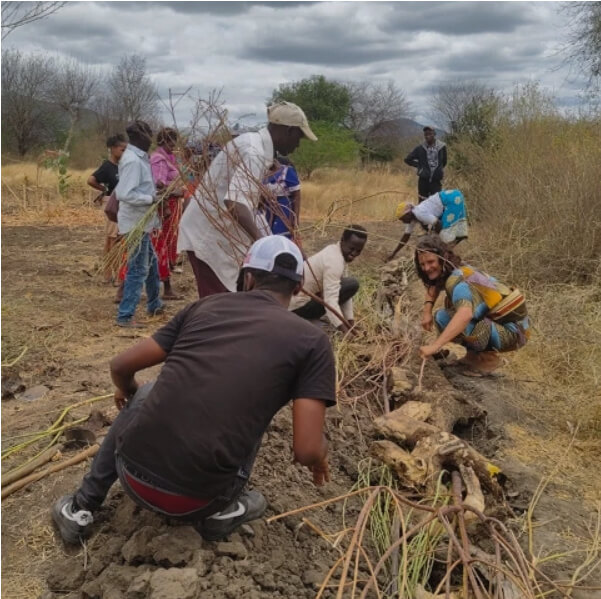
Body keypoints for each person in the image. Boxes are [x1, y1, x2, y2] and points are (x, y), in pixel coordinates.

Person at [51, 236, 336, 545]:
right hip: (197, 503)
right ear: (297, 289)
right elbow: (306, 449)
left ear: (249, 277)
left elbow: (120, 365)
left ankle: (81, 507)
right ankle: (220, 514)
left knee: (149, 392)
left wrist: (130, 393)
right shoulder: (313, 342)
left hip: (131, 473)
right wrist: (320, 457)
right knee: (249, 407)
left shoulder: (205, 306)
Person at [178, 101, 317, 298]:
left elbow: (243, 198)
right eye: (299, 137)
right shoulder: (254, 152)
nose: (298, 144)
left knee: (231, 300)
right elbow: (235, 204)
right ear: (288, 131)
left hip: (219, 234)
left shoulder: (254, 144)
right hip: (209, 236)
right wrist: (266, 246)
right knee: (219, 306)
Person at [416, 236, 530, 375]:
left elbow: (465, 315)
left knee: (451, 318)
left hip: (514, 333)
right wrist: (427, 311)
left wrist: (435, 346)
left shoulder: (459, 282)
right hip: (505, 326)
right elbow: (432, 286)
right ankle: (473, 357)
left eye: (431, 262)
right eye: (422, 264)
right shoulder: (454, 269)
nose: (427, 268)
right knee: (441, 316)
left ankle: (488, 360)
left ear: (442, 258)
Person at [115, 121, 164, 328]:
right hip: (135, 223)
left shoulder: (139, 158)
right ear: (139, 137)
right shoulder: (133, 161)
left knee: (151, 263)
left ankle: (155, 305)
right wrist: (151, 199)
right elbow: (124, 194)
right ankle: (125, 316)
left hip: (141, 222)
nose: (151, 139)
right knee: (138, 269)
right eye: (148, 135)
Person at [290, 225, 367, 335]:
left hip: (301, 303)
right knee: (353, 284)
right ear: (342, 240)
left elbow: (344, 293)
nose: (354, 254)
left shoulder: (336, 252)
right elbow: (330, 300)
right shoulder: (334, 261)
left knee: (349, 284)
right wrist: (346, 332)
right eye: (351, 248)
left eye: (358, 251)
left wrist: (351, 324)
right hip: (298, 308)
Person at [87, 134, 128, 283]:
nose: (124, 152)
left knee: (114, 239)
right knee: (113, 239)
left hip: (122, 204)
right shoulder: (107, 166)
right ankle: (113, 274)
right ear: (113, 149)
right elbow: (91, 180)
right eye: (122, 149)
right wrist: (103, 189)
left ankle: (109, 273)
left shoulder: (123, 165)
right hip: (112, 204)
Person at [387, 189, 468, 261]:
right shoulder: (413, 217)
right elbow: (405, 237)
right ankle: (448, 252)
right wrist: (394, 253)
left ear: (408, 214)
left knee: (444, 236)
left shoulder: (419, 213)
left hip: (451, 200)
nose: (403, 222)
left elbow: (438, 224)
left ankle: (447, 255)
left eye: (403, 219)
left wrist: (436, 241)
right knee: (450, 237)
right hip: (453, 195)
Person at [150, 127, 184, 300]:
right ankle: (163, 286)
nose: (173, 146)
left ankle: (165, 278)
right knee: (159, 244)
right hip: (163, 207)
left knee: (164, 243)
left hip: (169, 205)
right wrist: (172, 196)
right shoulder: (159, 159)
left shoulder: (168, 158)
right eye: (171, 142)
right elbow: (159, 186)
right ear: (163, 141)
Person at [262, 155, 302, 238]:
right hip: (269, 209)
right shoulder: (264, 173)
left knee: (281, 234)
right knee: (268, 233)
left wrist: (296, 219)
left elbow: (296, 196)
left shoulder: (287, 171)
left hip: (284, 209)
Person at [404, 126, 447, 200]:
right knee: (422, 203)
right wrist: (420, 166)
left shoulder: (442, 147)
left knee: (436, 203)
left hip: (436, 181)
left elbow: (444, 162)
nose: (427, 136)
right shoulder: (420, 148)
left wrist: (438, 171)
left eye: (430, 134)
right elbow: (407, 159)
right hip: (423, 181)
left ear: (434, 134)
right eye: (426, 134)